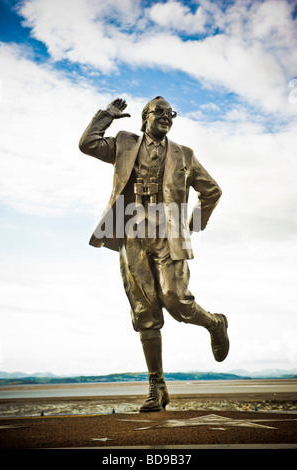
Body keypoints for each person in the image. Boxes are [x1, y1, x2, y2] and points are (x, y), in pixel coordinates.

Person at [79, 97, 229, 412]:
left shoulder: (184, 154)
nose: (166, 117)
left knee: (175, 298)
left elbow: (212, 190)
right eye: (159, 112)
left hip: (168, 232)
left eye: (170, 113)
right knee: (144, 311)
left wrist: (194, 225)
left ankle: (215, 323)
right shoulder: (123, 143)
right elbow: (87, 144)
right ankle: (156, 386)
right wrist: (107, 116)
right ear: (145, 117)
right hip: (132, 228)